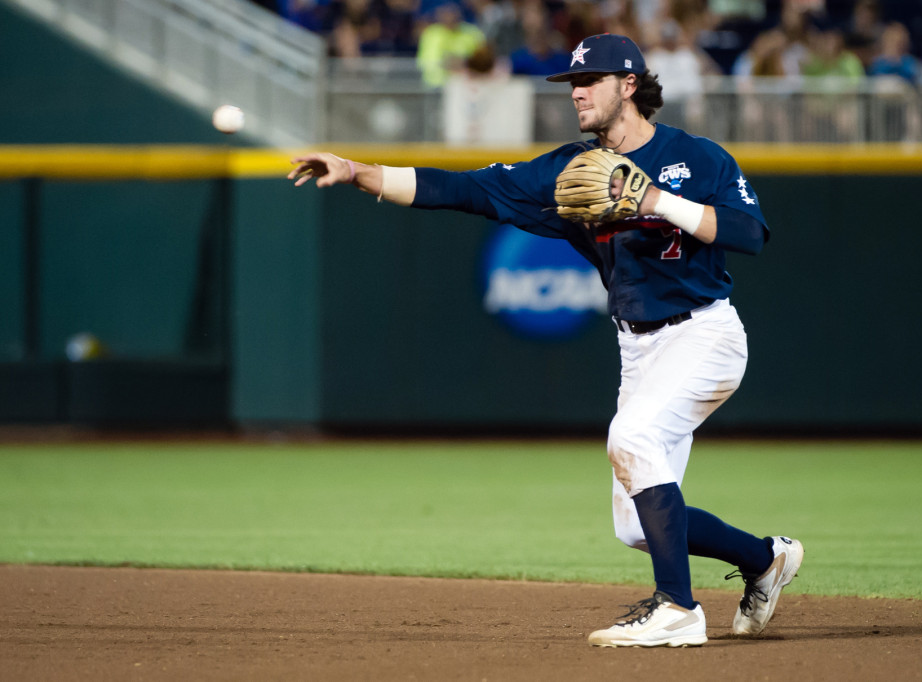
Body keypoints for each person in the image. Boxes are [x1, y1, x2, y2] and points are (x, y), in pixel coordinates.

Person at [288, 33, 803, 648]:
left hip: (705, 334)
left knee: (632, 439)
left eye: (590, 81)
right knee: (638, 526)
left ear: (629, 85)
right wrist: (355, 172)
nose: (577, 92)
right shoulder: (569, 171)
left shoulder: (696, 157)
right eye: (572, 83)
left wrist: (655, 199)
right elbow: (466, 189)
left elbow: (748, 234)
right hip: (638, 349)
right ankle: (764, 559)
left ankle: (678, 609)